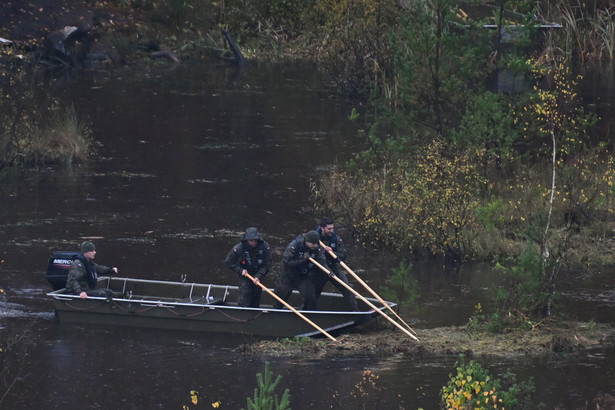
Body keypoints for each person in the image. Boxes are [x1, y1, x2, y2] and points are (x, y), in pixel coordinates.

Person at [273, 230, 329, 310]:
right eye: (313, 244)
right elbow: (288, 264)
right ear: (307, 241)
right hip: (287, 277)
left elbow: (322, 260)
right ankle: (275, 315)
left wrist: (328, 272)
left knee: (311, 297)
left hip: (302, 278)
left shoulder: (317, 247)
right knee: (279, 300)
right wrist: (303, 260)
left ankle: (308, 314)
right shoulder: (293, 246)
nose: (315, 246)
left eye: (316, 243)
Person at [313, 218, 358, 311]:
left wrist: (332, 252)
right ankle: (307, 311)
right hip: (319, 269)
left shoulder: (336, 239)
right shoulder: (314, 238)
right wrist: (322, 251)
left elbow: (344, 255)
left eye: (332, 228)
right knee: (314, 291)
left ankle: (354, 311)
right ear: (322, 228)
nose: (331, 231)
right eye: (329, 229)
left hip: (333, 267)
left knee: (346, 287)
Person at [224, 227, 272, 308]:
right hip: (245, 276)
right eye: (251, 240)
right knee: (244, 297)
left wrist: (258, 276)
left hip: (258, 276)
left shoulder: (265, 247)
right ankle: (242, 313)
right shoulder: (239, 248)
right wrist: (240, 270)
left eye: (255, 240)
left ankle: (254, 314)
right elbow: (229, 262)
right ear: (246, 240)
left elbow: (268, 264)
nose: (253, 243)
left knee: (256, 299)